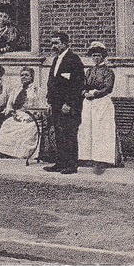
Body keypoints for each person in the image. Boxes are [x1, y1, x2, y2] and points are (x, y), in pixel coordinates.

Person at [45, 31, 85, 174]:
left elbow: (77, 84)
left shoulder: (73, 60)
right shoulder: (56, 60)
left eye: (56, 43)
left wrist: (69, 103)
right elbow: (52, 82)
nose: (53, 46)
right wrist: (50, 101)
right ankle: (60, 162)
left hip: (68, 106)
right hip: (56, 105)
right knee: (59, 134)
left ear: (65, 43)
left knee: (69, 134)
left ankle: (72, 165)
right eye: (52, 43)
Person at [77, 42, 121, 172]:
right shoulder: (89, 71)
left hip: (102, 103)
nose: (96, 58)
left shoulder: (108, 72)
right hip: (88, 103)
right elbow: (83, 84)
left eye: (98, 55)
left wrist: (96, 93)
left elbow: (108, 87)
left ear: (103, 57)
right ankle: (86, 157)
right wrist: (84, 92)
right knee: (86, 128)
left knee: (101, 130)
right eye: (94, 56)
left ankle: (103, 159)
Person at [0, 67, 42, 163]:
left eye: (26, 75)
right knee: (7, 124)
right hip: (17, 114)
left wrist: (36, 116)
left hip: (31, 115)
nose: (24, 77)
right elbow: (10, 104)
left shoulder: (37, 90)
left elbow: (41, 105)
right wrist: (11, 112)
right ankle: (4, 151)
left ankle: (21, 153)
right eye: (22, 75)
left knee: (29, 127)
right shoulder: (16, 89)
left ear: (31, 77)